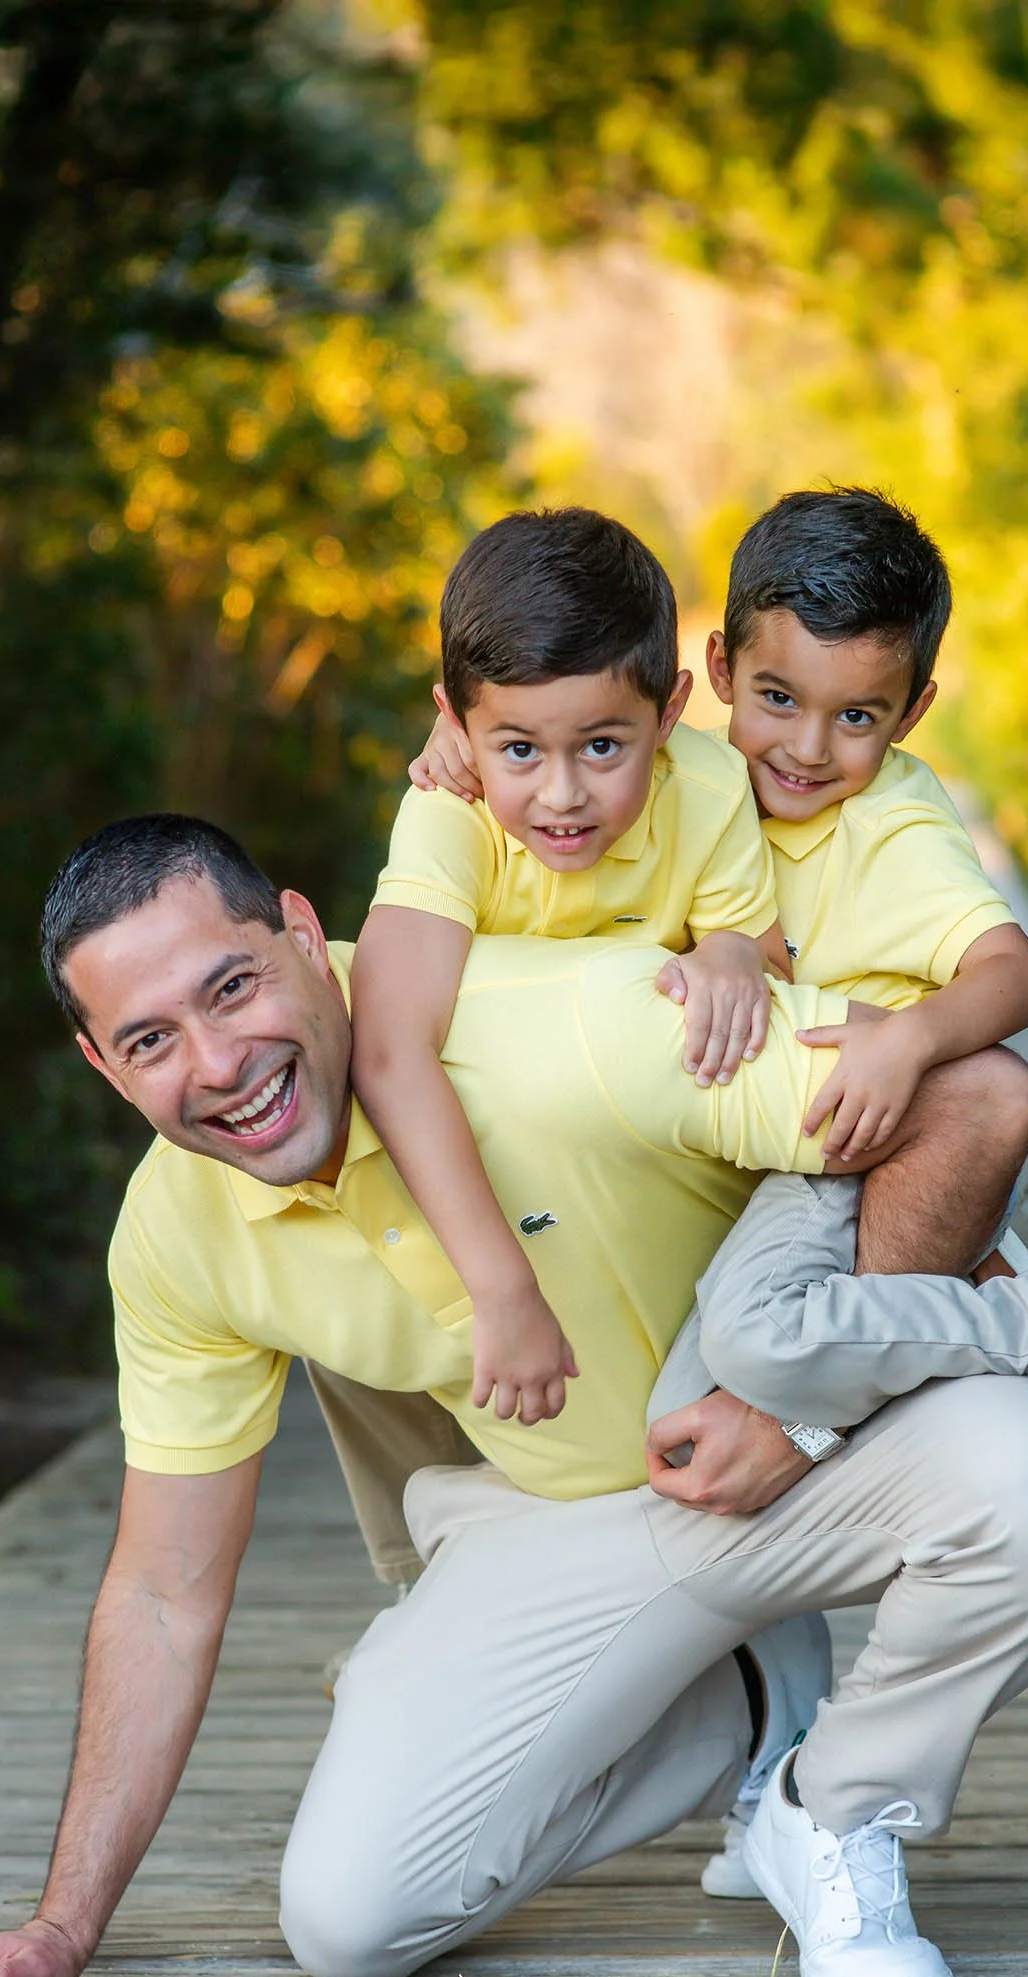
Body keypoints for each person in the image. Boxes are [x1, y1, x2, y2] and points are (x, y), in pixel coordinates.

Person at [0, 816, 1028, 1977]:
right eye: (151, 1041)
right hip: (549, 1525)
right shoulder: (175, 1235)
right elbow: (160, 1590)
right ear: (102, 1065)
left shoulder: (569, 1027)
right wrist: (61, 1924)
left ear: (307, 938)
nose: (218, 1066)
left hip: (810, 1473)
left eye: (232, 987)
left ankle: (832, 1803)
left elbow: (979, 1098)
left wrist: (793, 1419)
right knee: (350, 1923)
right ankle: (740, 1696)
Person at [411, 485, 1028, 1599]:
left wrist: (910, 1040)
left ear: (911, 713)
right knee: (712, 1398)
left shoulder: (893, 826)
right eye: (777, 697)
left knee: (760, 1346)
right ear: (716, 675)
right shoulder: (678, 776)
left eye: (857, 717)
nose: (808, 749)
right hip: (766, 1154)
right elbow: (556, 729)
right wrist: (456, 740)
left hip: (859, 1149)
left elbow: (1013, 975)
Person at [351, 507, 789, 1433]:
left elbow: (767, 958)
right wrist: (502, 1290)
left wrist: (730, 952)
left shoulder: (707, 789)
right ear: (455, 726)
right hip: (485, 1189)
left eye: (601, 746)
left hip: (644, 1172)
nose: (560, 795)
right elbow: (388, 1049)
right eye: (518, 748)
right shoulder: (453, 811)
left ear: (669, 712)